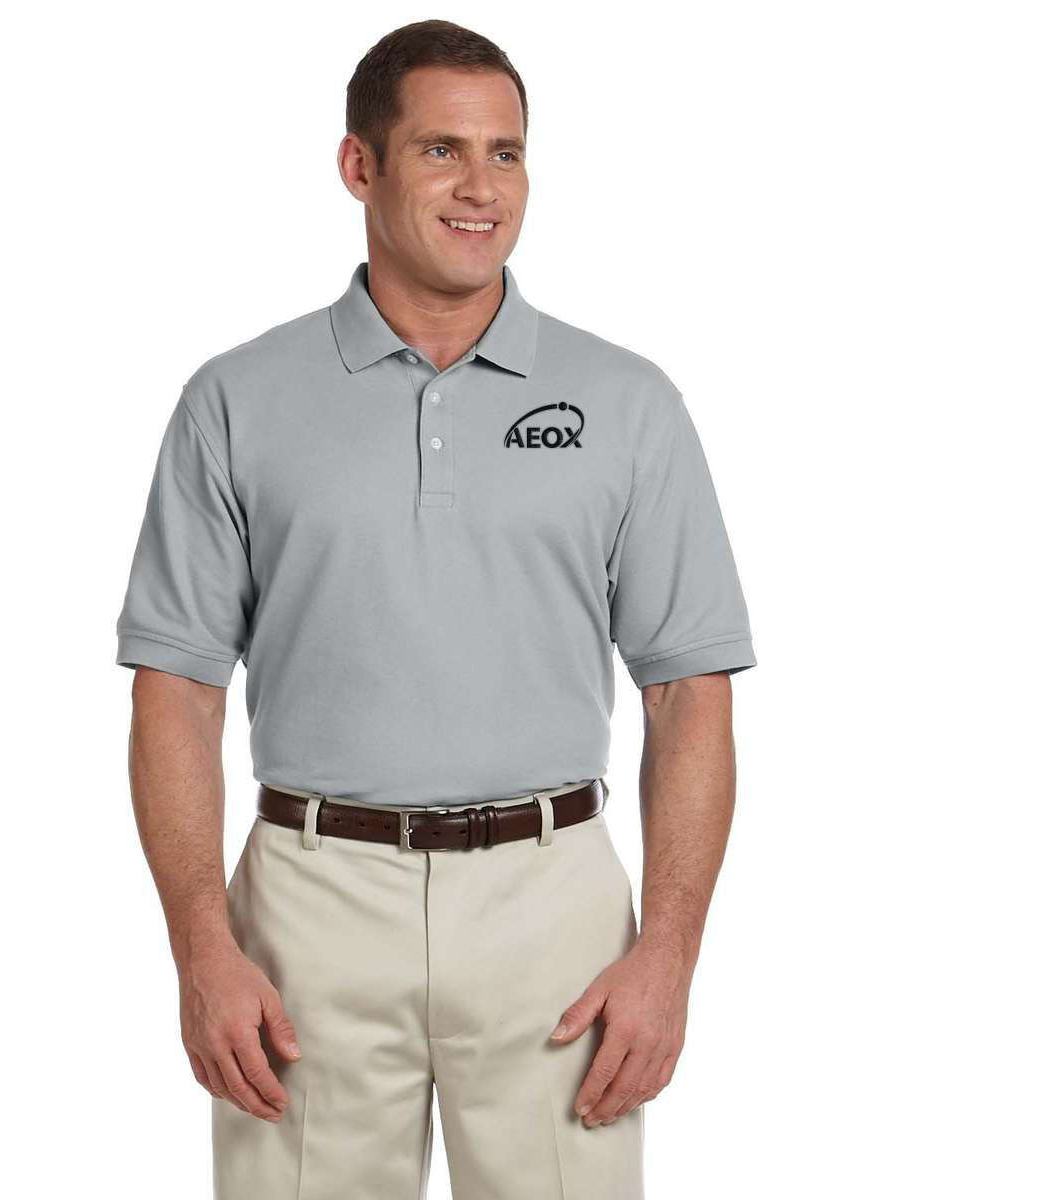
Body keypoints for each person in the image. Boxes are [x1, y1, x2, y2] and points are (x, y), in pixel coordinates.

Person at [115, 18, 755, 1199]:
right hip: (306, 910)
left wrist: (669, 953)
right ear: (358, 165)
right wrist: (202, 947)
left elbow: (688, 692)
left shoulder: (628, 403)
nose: (482, 188)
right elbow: (177, 690)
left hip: (553, 911)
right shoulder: (235, 400)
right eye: (442, 150)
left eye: (507, 153)